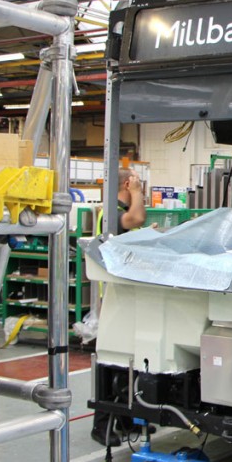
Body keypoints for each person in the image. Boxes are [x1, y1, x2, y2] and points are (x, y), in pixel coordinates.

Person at [90, 167, 147, 447]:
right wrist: (137, 193)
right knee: (112, 362)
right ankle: (101, 426)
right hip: (115, 298)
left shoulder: (114, 211)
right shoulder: (113, 211)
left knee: (128, 362)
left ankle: (124, 419)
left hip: (123, 297)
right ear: (127, 182)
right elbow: (136, 218)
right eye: (136, 182)